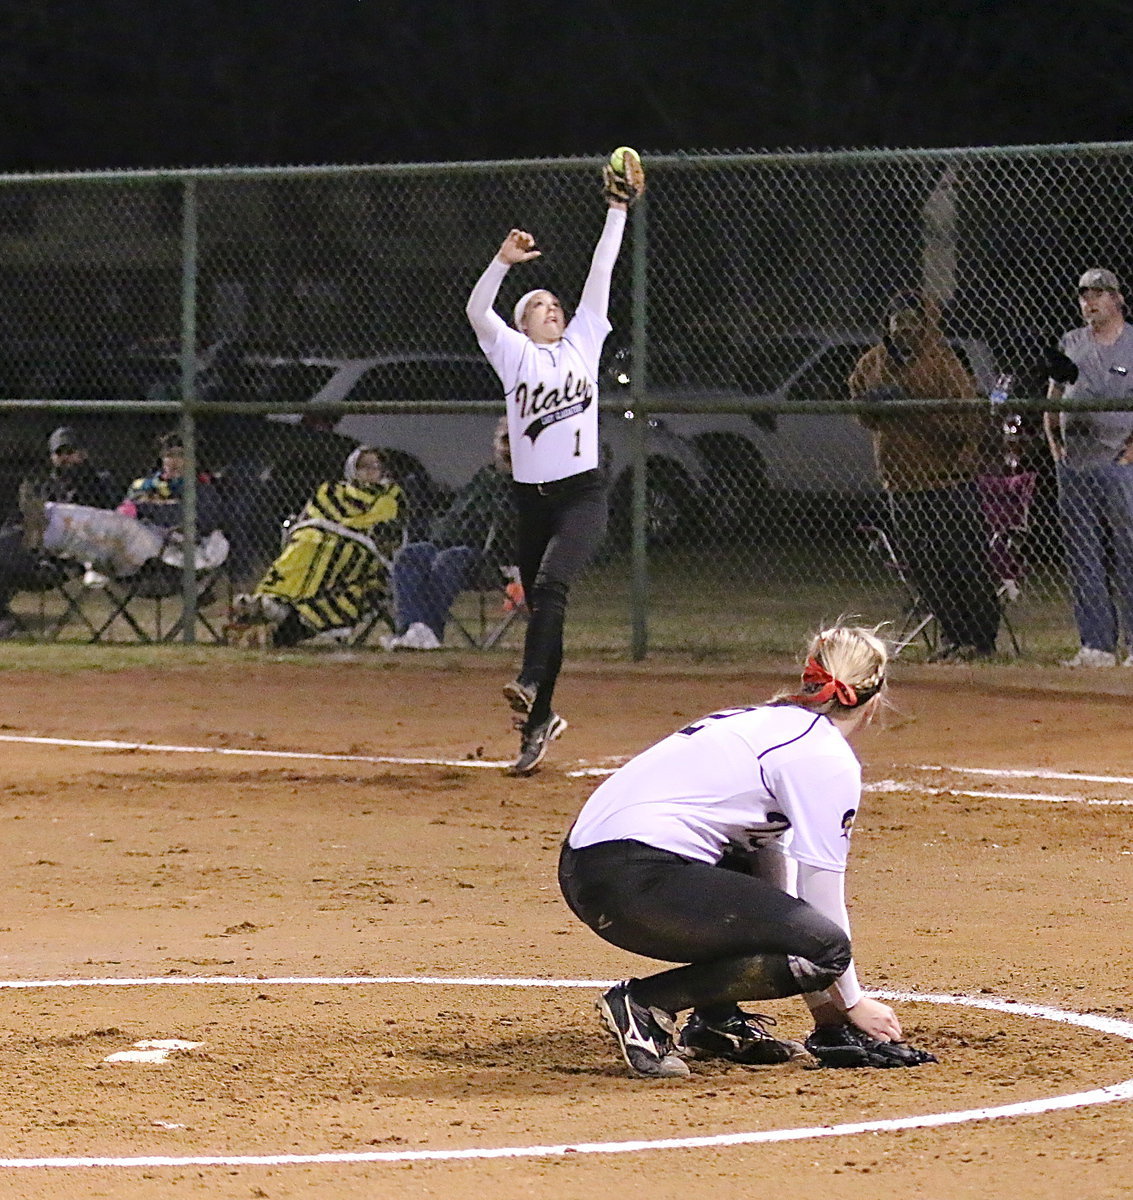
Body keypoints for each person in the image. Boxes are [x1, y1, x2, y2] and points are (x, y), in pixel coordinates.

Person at [558, 623, 937, 1079]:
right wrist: (852, 1003)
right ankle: (644, 1004)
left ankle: (716, 1022)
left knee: (760, 883)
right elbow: (822, 896)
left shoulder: (763, 721)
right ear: (873, 701)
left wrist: (827, 1016)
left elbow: (773, 881)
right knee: (829, 949)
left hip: (593, 872)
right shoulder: (823, 756)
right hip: (637, 881)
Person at [465, 150, 645, 774]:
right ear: (522, 323)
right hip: (528, 497)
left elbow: (603, 267)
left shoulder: (583, 343)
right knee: (542, 606)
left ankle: (528, 683)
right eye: (540, 305)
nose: (553, 309)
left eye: (555, 305)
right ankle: (540, 722)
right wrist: (503, 263)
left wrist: (617, 210)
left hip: (580, 492)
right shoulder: (512, 355)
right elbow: (475, 312)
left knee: (550, 588)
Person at [849, 290, 1001, 661]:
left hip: (948, 481)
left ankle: (980, 640)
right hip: (902, 483)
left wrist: (910, 407)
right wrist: (872, 405)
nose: (905, 328)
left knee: (964, 560)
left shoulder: (943, 363)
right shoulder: (873, 364)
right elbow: (863, 411)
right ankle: (952, 636)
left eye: (913, 320)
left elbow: (964, 421)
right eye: (898, 320)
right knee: (925, 565)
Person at [1042, 267, 1133, 668]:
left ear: (1117, 299)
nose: (1089, 301)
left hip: (1118, 462)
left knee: (1128, 551)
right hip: (1074, 465)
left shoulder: (1131, 343)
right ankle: (1097, 645)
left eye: (1098, 293)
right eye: (1083, 295)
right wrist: (1054, 443)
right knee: (1083, 555)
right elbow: (1053, 394)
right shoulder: (1071, 342)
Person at [232, 446, 404, 647]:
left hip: (362, 554)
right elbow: (311, 517)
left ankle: (280, 608)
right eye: (363, 466)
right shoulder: (332, 490)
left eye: (375, 466)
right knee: (305, 542)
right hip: (318, 540)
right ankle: (273, 598)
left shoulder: (391, 495)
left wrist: (350, 531)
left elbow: (391, 530)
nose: (369, 471)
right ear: (352, 468)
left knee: (335, 551)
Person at [17, 429, 228, 589]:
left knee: (117, 523)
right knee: (112, 524)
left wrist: (144, 509)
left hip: (165, 548)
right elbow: (127, 509)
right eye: (168, 455)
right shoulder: (143, 485)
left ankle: (48, 516)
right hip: (126, 550)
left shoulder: (202, 487)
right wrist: (137, 509)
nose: (173, 461)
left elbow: (203, 518)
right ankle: (51, 527)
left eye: (180, 455)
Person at [380, 419, 518, 651]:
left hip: (495, 559)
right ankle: (411, 630)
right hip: (454, 546)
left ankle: (429, 632)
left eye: (517, 442)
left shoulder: (531, 482)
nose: (510, 449)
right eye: (505, 441)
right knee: (411, 554)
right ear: (494, 445)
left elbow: (512, 527)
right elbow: (456, 515)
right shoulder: (485, 476)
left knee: (448, 559)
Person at [0, 426, 117, 636]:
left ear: (83, 453)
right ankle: (5, 622)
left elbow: (105, 524)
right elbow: (22, 521)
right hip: (32, 555)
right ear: (51, 457)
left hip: (69, 559)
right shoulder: (43, 485)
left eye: (70, 452)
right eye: (59, 453)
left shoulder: (98, 483)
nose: (65, 458)